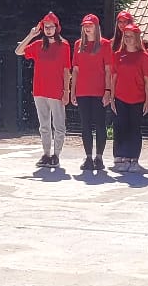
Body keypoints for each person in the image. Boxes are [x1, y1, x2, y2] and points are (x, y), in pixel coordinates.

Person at [16, 14, 73, 170]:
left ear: (56, 28)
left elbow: (66, 70)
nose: (48, 30)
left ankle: (56, 155)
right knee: (44, 126)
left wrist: (66, 91)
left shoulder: (64, 46)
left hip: (56, 91)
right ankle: (46, 154)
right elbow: (18, 51)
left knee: (59, 125)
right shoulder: (38, 45)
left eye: (51, 27)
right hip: (39, 90)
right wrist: (31, 35)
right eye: (45, 27)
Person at [107, 15, 148, 171]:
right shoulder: (118, 55)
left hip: (137, 98)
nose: (127, 39)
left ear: (137, 38)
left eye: (130, 36)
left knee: (134, 129)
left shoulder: (144, 56)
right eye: (125, 36)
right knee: (121, 127)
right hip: (120, 97)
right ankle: (123, 157)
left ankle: (134, 159)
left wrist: (147, 101)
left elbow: (147, 81)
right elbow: (114, 77)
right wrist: (112, 97)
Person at [69, 15, 111, 173]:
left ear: (96, 27)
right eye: (85, 25)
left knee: (100, 124)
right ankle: (88, 157)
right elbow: (75, 70)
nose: (87, 28)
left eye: (90, 25)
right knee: (85, 125)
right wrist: (72, 91)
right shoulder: (78, 44)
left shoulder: (105, 44)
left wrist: (108, 91)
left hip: (99, 91)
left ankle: (99, 157)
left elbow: (108, 70)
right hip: (82, 91)